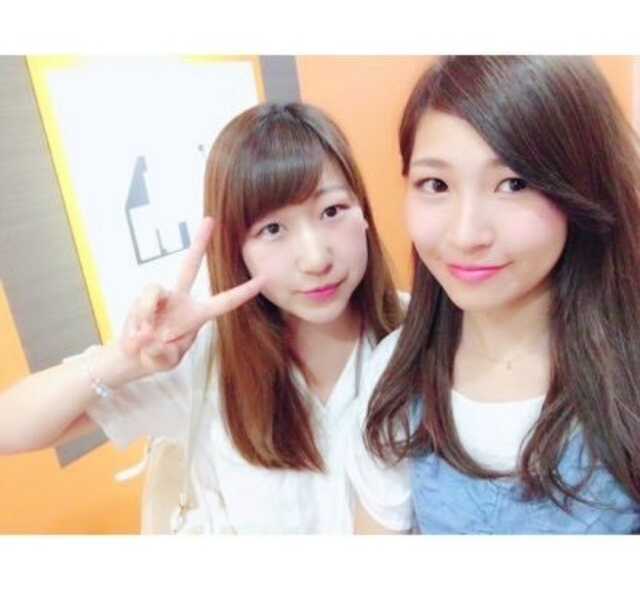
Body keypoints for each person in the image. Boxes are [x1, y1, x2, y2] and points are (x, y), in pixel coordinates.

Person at [0, 102, 404, 534]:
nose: (315, 258)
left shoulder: (421, 331)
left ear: (363, 212)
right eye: (272, 229)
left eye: (332, 211)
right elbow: (10, 429)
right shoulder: (207, 357)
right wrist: (125, 361)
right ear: (238, 250)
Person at [348, 56, 640, 534]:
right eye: (435, 184)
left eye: (513, 184)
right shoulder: (397, 376)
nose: (466, 235)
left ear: (585, 188)